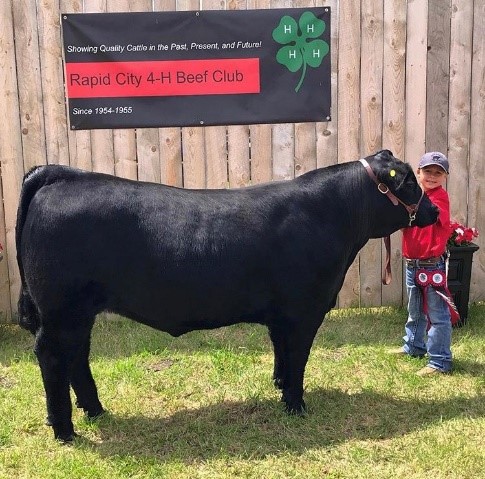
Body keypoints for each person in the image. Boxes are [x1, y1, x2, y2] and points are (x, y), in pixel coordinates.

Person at [391, 152, 454, 376]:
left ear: (445, 177)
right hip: (413, 264)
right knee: (415, 310)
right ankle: (414, 347)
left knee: (438, 315)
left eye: (438, 173)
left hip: (432, 265)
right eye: (428, 171)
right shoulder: (413, 198)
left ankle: (439, 361)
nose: (432, 176)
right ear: (418, 173)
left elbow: (434, 215)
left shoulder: (438, 198)